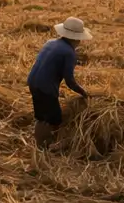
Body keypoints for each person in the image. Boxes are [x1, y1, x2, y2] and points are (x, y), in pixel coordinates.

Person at [27, 17, 92, 148]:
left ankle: (40, 143)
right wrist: (83, 92)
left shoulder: (50, 43)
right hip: (46, 87)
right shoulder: (69, 53)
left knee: (41, 115)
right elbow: (69, 80)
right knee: (53, 119)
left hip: (33, 81)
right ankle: (44, 145)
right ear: (76, 39)